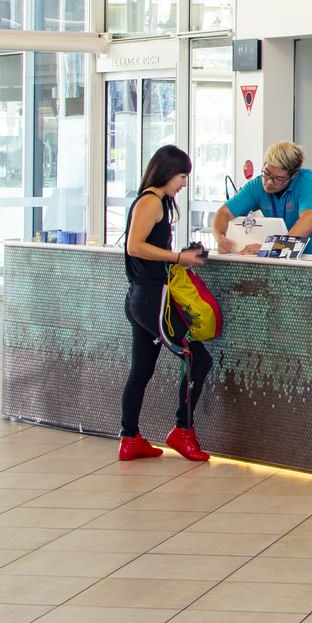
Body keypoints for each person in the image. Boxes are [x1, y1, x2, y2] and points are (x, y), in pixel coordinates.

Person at [119, 143, 215, 463]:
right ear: (167, 172)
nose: (184, 183)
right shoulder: (151, 201)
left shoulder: (154, 201)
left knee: (142, 369)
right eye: (182, 176)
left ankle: (130, 438)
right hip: (151, 299)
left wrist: (181, 258)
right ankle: (182, 430)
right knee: (196, 360)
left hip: (141, 298)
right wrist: (177, 256)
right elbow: (135, 246)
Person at [214, 138, 312, 258]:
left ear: (293, 175)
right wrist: (220, 237)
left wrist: (270, 249)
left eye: (279, 179)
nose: (269, 182)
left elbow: (309, 221)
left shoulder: (309, 182)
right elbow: (224, 213)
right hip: (295, 257)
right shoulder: (257, 185)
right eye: (267, 173)